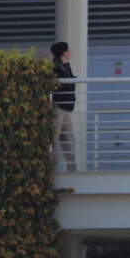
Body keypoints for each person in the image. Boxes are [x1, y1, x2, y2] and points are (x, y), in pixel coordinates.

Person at [50, 40, 77, 170]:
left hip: (66, 106)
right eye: (68, 50)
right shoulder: (56, 66)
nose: (70, 52)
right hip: (59, 106)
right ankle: (50, 167)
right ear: (63, 52)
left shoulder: (66, 65)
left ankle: (72, 169)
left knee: (70, 139)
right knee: (54, 138)